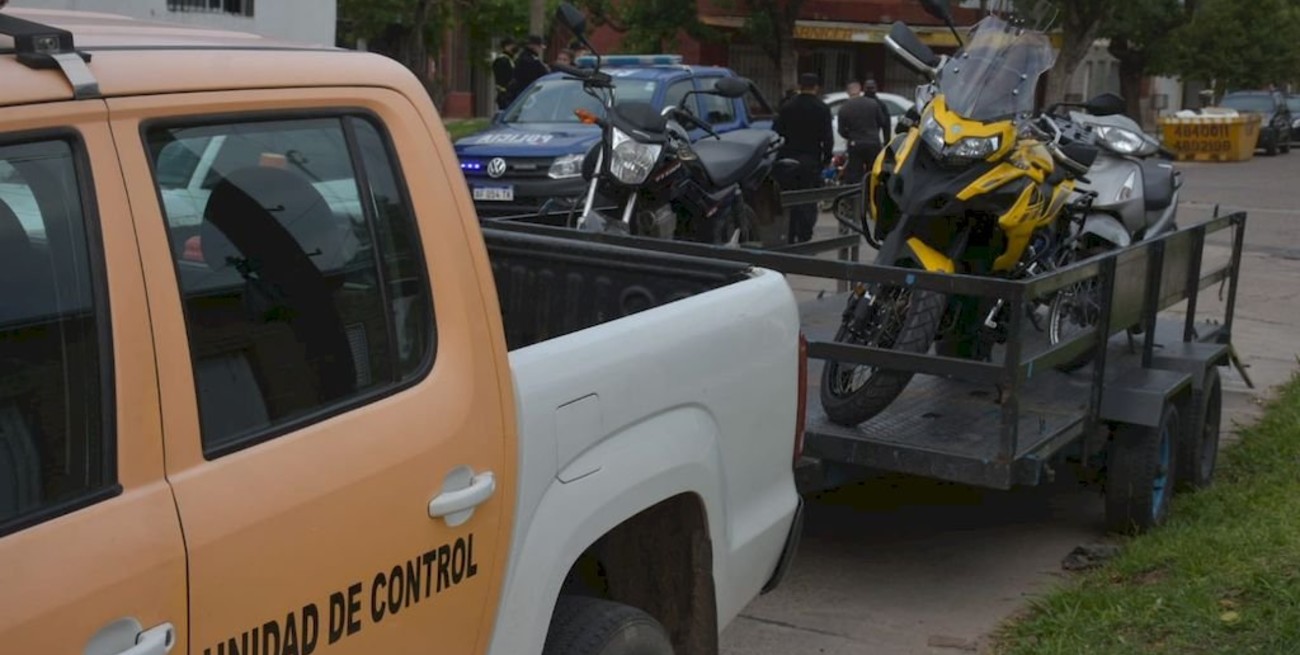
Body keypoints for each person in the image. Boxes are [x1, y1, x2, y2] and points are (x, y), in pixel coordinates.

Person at [773, 72, 834, 244]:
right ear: (816, 87)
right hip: (811, 159)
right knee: (809, 199)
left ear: (800, 86)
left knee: (790, 198)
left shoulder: (788, 107)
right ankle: (805, 235)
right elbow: (827, 137)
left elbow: (777, 132)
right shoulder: (822, 108)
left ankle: (790, 234)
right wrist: (826, 158)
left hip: (788, 159)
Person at [837, 79, 892, 185]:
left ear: (848, 92)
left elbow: (841, 130)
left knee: (855, 173)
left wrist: (851, 136)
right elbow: (882, 121)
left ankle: (855, 197)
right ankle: (871, 195)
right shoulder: (873, 104)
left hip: (855, 143)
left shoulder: (844, 107)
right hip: (873, 142)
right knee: (873, 171)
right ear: (860, 89)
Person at [506, 35, 549, 103]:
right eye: (539, 46)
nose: (541, 49)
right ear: (533, 46)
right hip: (527, 94)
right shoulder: (530, 60)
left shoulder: (524, 57)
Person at [492, 38, 518, 111]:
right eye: (512, 46)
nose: (514, 48)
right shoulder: (502, 60)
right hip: (506, 95)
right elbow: (504, 78)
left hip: (511, 94)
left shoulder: (510, 59)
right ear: (506, 47)